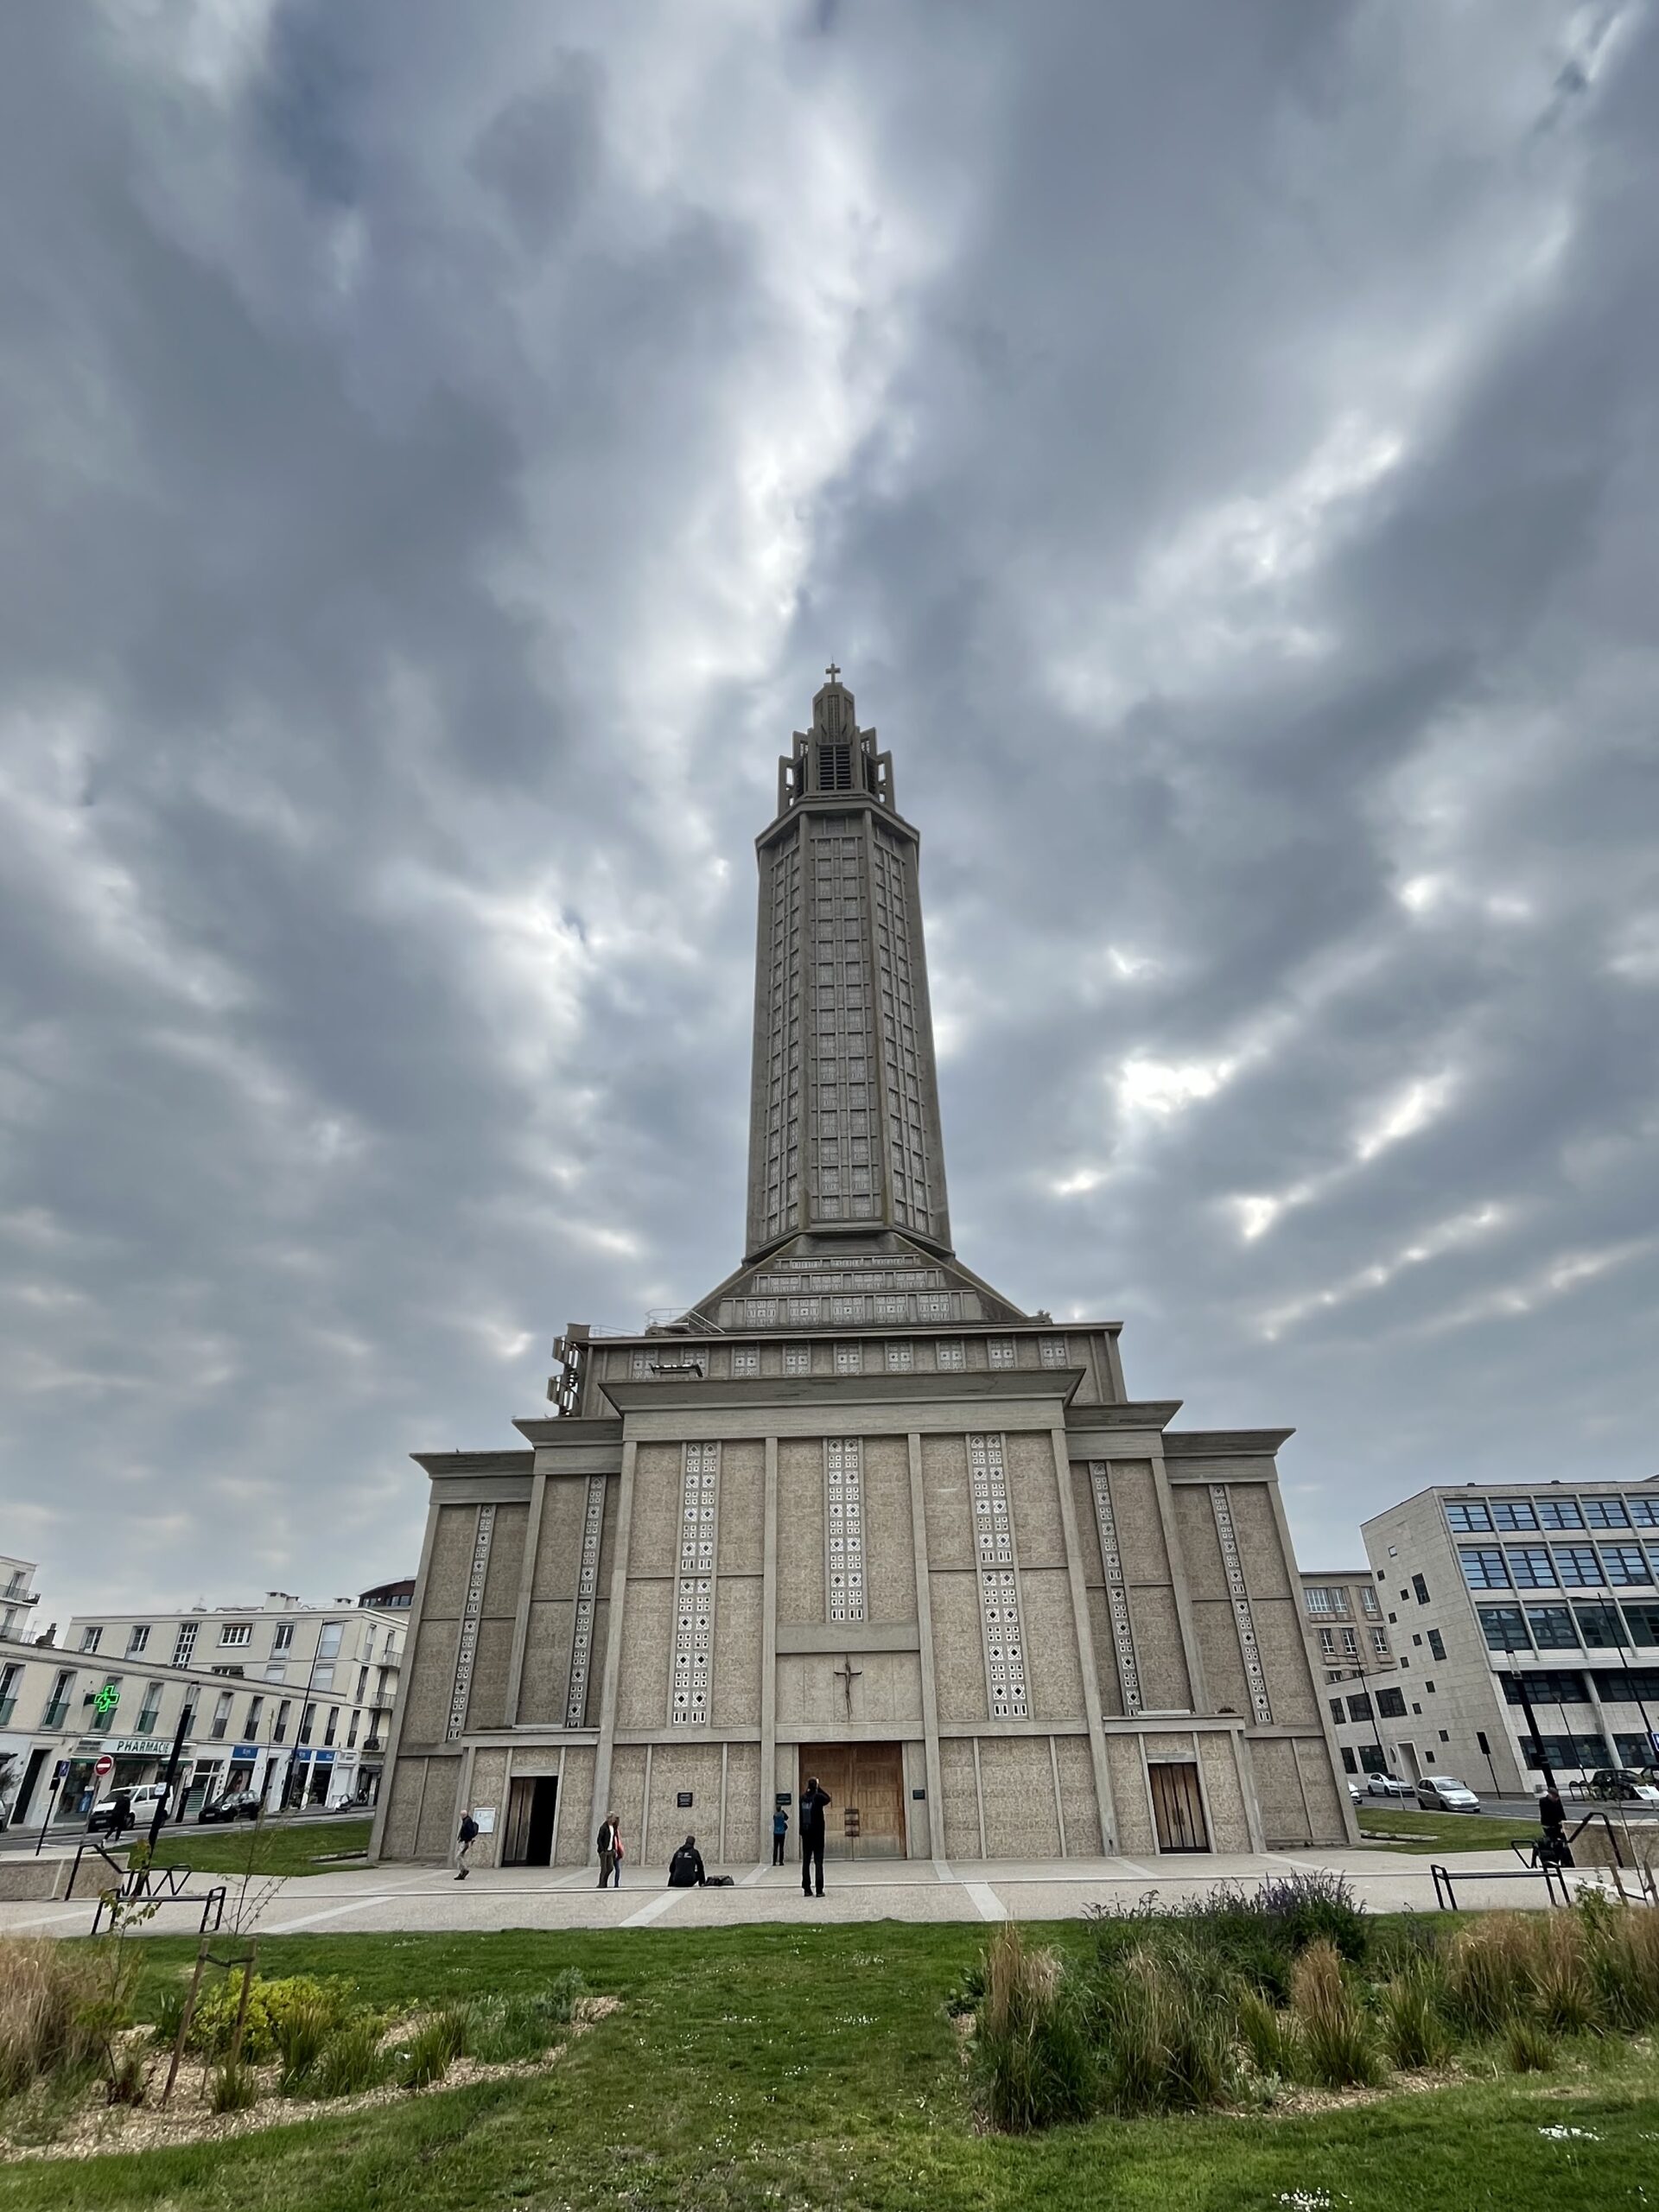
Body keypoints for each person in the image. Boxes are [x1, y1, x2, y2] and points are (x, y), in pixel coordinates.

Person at [798, 1774, 830, 1898]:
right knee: (818, 1862)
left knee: (806, 1862)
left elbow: (800, 1816)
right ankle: (819, 1889)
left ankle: (806, 1889)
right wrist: (818, 1788)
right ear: (815, 1786)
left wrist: (801, 1831)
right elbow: (828, 1798)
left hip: (806, 1834)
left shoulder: (802, 1798)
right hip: (817, 1835)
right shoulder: (817, 1797)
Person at [597, 1809, 623, 1888]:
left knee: (610, 1868)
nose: (614, 1820)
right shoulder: (604, 1827)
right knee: (604, 1869)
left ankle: (604, 1881)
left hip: (611, 1851)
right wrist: (602, 1850)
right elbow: (599, 1839)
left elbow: (613, 1839)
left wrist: (614, 1849)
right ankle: (601, 1884)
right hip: (604, 1851)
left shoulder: (613, 1828)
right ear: (609, 1818)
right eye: (613, 1818)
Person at [455, 1809, 479, 1879]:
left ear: (464, 1815)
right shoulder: (466, 1821)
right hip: (465, 1841)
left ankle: (464, 1870)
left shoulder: (467, 1821)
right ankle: (462, 1873)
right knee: (460, 1856)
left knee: (458, 1856)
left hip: (465, 1842)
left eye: (461, 1815)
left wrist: (466, 1840)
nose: (461, 1816)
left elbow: (469, 1832)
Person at [772, 1801, 789, 1866]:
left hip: (776, 1832)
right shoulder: (782, 1815)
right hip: (782, 1832)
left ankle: (774, 1862)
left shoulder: (775, 1815)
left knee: (775, 1848)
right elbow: (787, 1818)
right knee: (781, 1848)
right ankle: (781, 1862)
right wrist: (783, 1812)